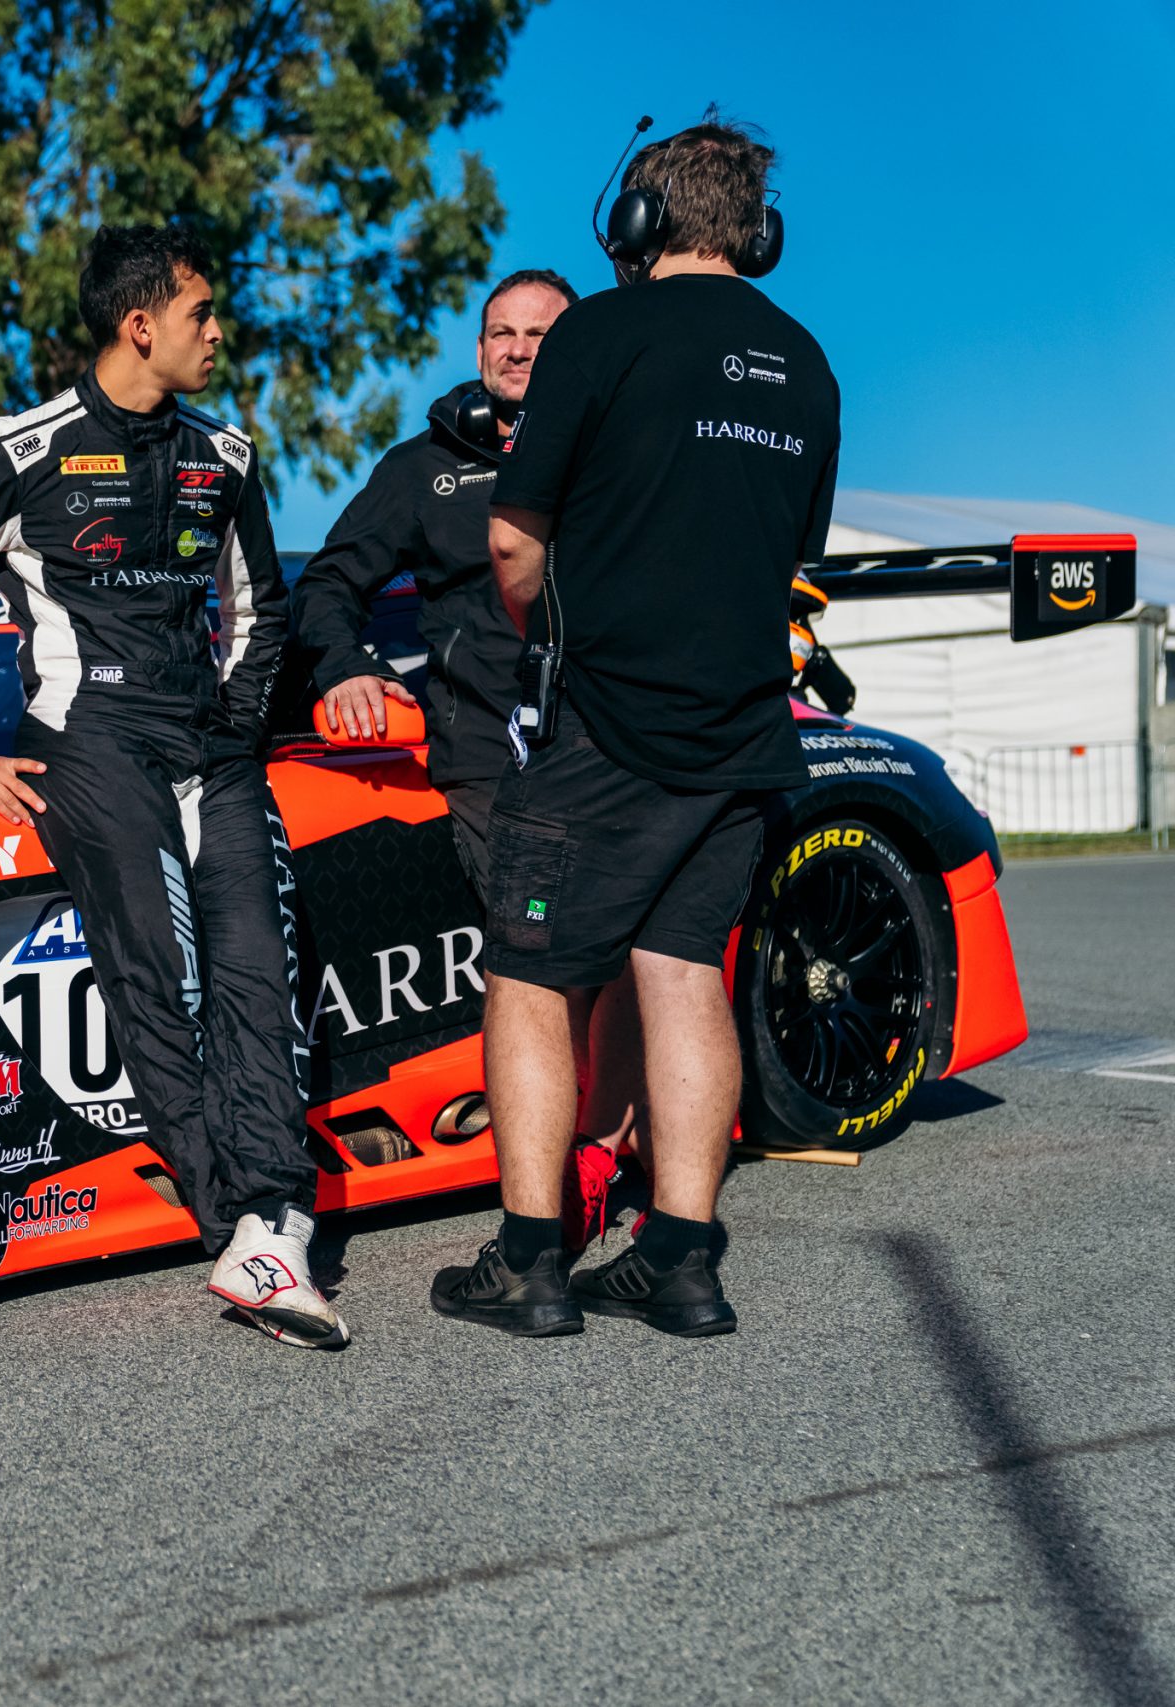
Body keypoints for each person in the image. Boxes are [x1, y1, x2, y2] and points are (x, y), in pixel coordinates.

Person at [0, 222, 343, 1351]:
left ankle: (275, 1223)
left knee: (258, 976)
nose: (218, 334)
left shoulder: (225, 455)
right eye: (200, 316)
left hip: (210, 755)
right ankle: (239, 1225)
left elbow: (263, 610)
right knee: (159, 978)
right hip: (86, 745)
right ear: (141, 326)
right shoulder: (10, 449)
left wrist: (232, 726)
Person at [432, 114, 840, 1339]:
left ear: (637, 224)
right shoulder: (807, 360)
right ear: (754, 233)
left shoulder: (599, 332)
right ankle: (680, 1259)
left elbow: (513, 539)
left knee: (527, 976)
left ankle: (527, 1261)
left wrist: (548, 631)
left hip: (606, 726)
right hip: (743, 734)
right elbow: (791, 559)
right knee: (680, 975)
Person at [289, 268, 648, 1254]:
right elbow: (324, 584)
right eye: (500, 332)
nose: (518, 347)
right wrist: (347, 667)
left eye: (540, 332)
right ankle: (568, 1165)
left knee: (651, 945)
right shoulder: (423, 468)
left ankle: (612, 1143)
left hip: (623, 737)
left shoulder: (623, 448)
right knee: (561, 950)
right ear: (478, 349)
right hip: (493, 755)